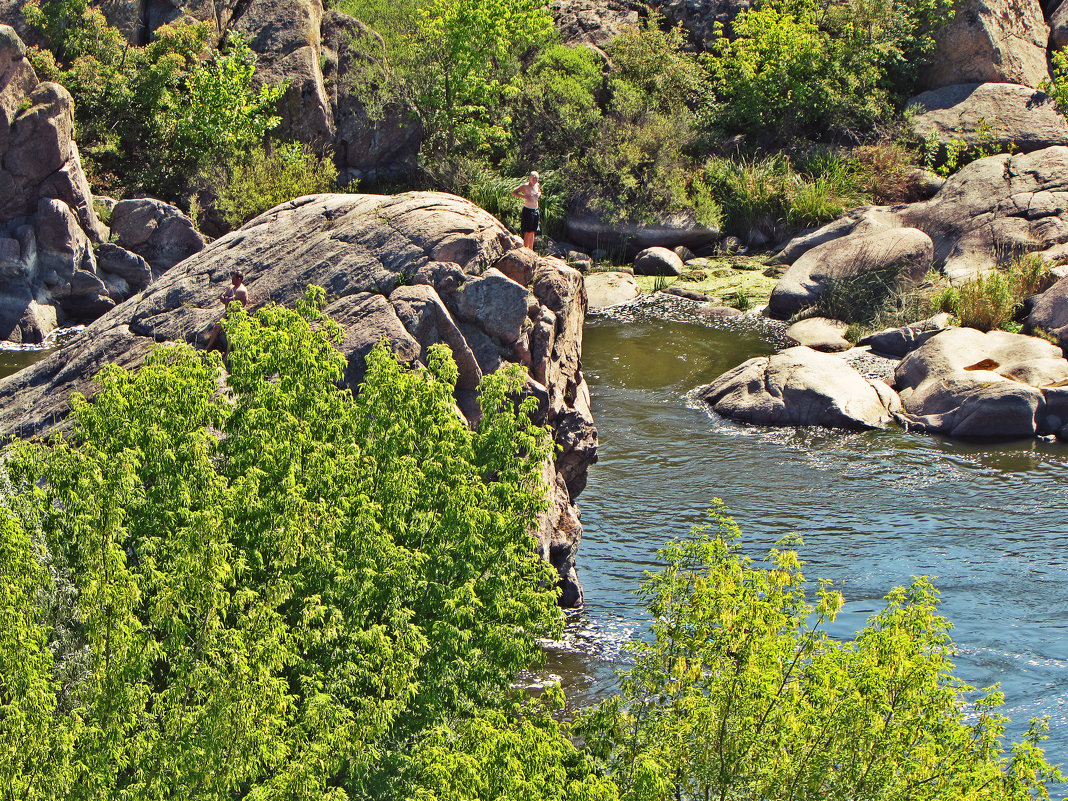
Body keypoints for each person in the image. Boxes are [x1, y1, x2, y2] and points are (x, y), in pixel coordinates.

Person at [205, 270, 248, 353]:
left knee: (231, 335)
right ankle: (208, 347)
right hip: (228, 313)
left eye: (234, 278)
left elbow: (231, 300)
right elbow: (223, 297)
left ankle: (227, 356)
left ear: (239, 279)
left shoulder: (242, 290)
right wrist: (224, 298)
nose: (232, 280)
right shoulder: (231, 287)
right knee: (216, 327)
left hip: (236, 315)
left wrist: (226, 299)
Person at [512, 170, 542, 250]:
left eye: (536, 179)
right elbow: (514, 192)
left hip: (535, 209)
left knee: (533, 231)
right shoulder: (525, 186)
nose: (535, 181)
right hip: (528, 210)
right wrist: (524, 197)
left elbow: (539, 191)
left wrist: (538, 194)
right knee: (528, 231)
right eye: (533, 179)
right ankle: (525, 249)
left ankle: (531, 249)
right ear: (530, 178)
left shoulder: (537, 185)